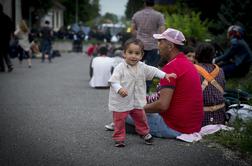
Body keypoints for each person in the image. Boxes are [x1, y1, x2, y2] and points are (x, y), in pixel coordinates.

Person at [108, 38, 177, 147]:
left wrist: (165, 75)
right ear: (124, 54)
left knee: (141, 118)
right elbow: (114, 81)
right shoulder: (120, 68)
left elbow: (153, 70)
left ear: (141, 55)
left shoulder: (142, 67)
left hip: (137, 100)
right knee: (119, 120)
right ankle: (119, 138)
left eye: (137, 53)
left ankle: (144, 133)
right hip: (122, 101)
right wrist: (119, 89)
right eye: (130, 52)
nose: (133, 56)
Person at [140, 28, 203, 138]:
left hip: (174, 127)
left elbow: (162, 105)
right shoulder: (187, 64)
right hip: (192, 127)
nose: (158, 45)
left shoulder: (171, 68)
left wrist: (138, 108)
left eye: (160, 41)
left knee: (126, 113)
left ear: (170, 46)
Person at [131, 0, 166, 92]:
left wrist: (138, 36)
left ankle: (134, 87)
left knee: (136, 66)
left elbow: (132, 30)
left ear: (144, 3)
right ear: (154, 4)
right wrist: (159, 40)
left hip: (139, 45)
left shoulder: (136, 15)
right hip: (153, 45)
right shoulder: (159, 15)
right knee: (151, 68)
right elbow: (162, 30)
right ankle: (146, 90)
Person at [194, 43, 226, 126]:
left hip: (200, 119)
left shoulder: (192, 70)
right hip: (220, 117)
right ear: (213, 56)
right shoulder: (220, 70)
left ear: (196, 55)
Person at [0, 3, 14, 72]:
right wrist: (10, 35)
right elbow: (11, 27)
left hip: (1, 37)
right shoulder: (7, 17)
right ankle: (9, 64)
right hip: (6, 38)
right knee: (5, 52)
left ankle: (2, 67)